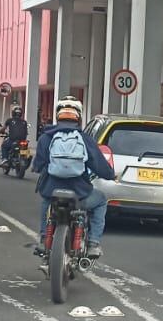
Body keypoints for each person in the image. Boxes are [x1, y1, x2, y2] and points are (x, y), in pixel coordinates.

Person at [31, 96, 115, 259]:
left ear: (57, 115)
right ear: (79, 117)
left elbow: (38, 165)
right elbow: (98, 164)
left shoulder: (46, 137)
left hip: (52, 191)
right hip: (79, 192)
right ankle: (93, 244)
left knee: (46, 203)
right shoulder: (85, 139)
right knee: (101, 200)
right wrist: (111, 175)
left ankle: (43, 238)